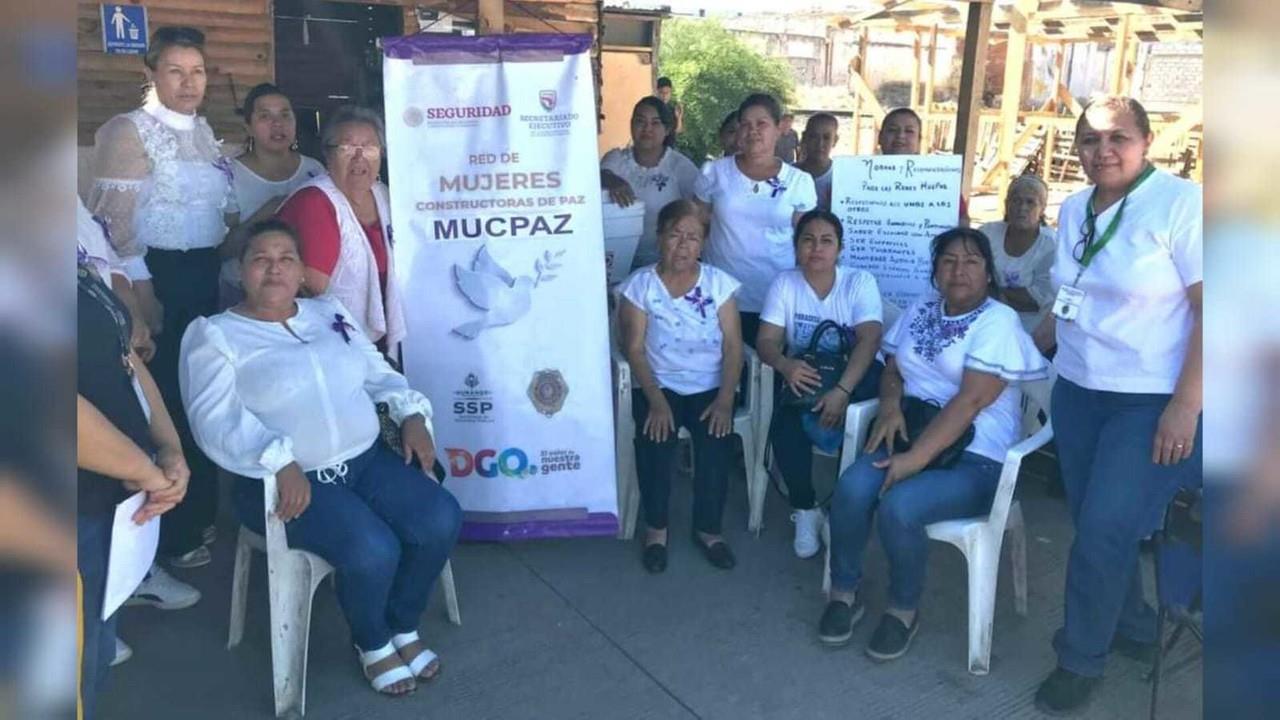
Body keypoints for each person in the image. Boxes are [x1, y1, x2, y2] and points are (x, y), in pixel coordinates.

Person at [179, 220, 462, 697]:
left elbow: (376, 371)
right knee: (373, 549)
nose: (275, 269)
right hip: (281, 484)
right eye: (261, 259)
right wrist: (277, 460)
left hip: (366, 461)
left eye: (286, 258)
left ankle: (401, 624)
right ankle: (371, 642)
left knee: (440, 517)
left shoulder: (327, 312)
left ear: (301, 271)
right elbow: (215, 419)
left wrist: (410, 413)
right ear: (240, 270)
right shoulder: (216, 335)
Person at [1032, 96, 1203, 715]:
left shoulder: (1184, 205)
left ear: (1147, 141)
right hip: (1078, 390)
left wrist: (1186, 405)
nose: (1103, 150)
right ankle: (1132, 624)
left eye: (1118, 138)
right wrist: (1037, 337)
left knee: (1104, 529)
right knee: (1100, 526)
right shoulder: (1075, 206)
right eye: (1089, 140)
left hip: (1151, 400)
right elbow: (1076, 287)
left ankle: (1080, 656)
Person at [819, 227, 1047, 661]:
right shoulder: (924, 307)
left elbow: (970, 401)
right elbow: (892, 365)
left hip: (976, 459)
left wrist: (912, 461)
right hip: (913, 434)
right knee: (850, 488)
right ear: (935, 271)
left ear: (987, 273)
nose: (959, 270)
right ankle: (844, 593)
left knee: (899, 505)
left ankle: (903, 609)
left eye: (971, 261)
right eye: (948, 261)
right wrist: (889, 406)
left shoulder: (999, 321)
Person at [88, 26, 238, 570]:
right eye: (175, 70)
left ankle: (196, 516)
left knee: (202, 394)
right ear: (150, 74)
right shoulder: (127, 131)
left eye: (197, 71)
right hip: (156, 279)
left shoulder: (202, 132)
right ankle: (161, 539)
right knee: (163, 404)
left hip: (204, 278)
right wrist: (140, 299)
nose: (188, 81)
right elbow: (111, 229)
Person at [77, 247, 191, 719]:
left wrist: (168, 448)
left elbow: (124, 356)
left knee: (93, 658)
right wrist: (146, 471)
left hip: (107, 503)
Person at [618, 200, 744, 572]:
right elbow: (634, 348)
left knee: (716, 442)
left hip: (709, 385)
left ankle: (709, 529)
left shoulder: (718, 284)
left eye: (692, 237)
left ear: (703, 243)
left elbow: (734, 345)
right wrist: (656, 402)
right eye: (675, 235)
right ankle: (656, 529)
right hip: (659, 385)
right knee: (655, 440)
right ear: (659, 238)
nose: (683, 245)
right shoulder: (640, 286)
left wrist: (725, 399)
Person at [756, 210, 883, 558]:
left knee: (860, 427)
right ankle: (807, 509)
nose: (817, 248)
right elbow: (767, 341)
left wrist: (841, 392)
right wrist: (785, 365)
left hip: (855, 374)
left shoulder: (859, 282)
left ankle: (841, 512)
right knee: (785, 425)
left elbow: (870, 341)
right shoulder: (785, 283)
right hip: (806, 372)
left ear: (840, 248)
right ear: (796, 247)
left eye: (826, 240)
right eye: (808, 240)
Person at [276, 105, 404, 354]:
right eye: (346, 148)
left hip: (378, 337)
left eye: (369, 147)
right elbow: (315, 291)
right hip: (329, 339)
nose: (359, 157)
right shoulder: (315, 201)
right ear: (327, 154)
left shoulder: (384, 195)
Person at [696, 93, 817, 347]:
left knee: (766, 374)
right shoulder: (714, 172)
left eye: (761, 123)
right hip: (719, 293)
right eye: (746, 124)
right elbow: (698, 227)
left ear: (779, 128)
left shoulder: (799, 182)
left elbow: (805, 243)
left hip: (774, 297)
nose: (753, 131)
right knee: (720, 371)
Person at [219, 83, 325, 308]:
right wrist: (270, 212)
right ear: (248, 126)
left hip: (302, 289)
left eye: (285, 115)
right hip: (243, 291)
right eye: (265, 116)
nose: (277, 124)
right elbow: (223, 249)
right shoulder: (228, 174)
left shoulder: (315, 170)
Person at [600, 97, 701, 269]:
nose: (647, 129)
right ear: (631, 125)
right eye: (640, 121)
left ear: (667, 129)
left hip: (664, 266)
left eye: (655, 123)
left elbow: (699, 213)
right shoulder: (616, 159)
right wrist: (612, 181)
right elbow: (598, 176)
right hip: (615, 262)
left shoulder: (680, 167)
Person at [981, 174, 1056, 332]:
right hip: (986, 323)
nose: (1022, 208)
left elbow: (1034, 302)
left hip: (1030, 331)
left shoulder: (1052, 245)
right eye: (1016, 200)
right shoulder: (987, 233)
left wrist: (990, 291)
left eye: (1031, 202)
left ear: (1042, 208)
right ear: (1006, 204)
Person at [877, 107, 970, 226]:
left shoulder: (940, 180)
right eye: (892, 130)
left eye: (909, 131)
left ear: (919, 140)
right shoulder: (859, 177)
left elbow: (962, 219)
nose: (900, 135)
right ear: (880, 137)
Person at [796, 113, 839, 210]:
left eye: (826, 138)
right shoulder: (786, 175)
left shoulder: (841, 179)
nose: (820, 143)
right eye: (813, 137)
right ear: (804, 137)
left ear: (835, 140)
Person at [654, 76, 684, 147]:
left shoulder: (672, 109)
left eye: (667, 93)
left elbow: (678, 130)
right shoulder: (652, 108)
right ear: (657, 92)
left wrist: (679, 118)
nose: (664, 96)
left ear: (670, 93)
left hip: (669, 149)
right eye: (662, 92)